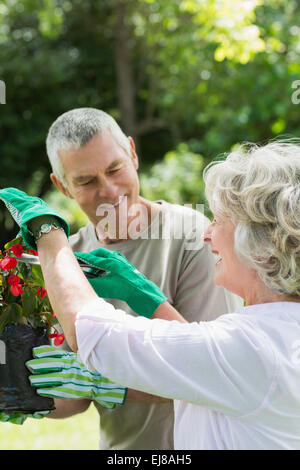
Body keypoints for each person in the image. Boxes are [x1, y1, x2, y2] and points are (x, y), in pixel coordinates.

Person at [1, 139, 299, 450]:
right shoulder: (276, 337)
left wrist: (47, 231)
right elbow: (201, 365)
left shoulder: (248, 347)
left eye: (220, 220)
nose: (207, 233)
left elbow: (90, 330)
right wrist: (151, 301)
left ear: (259, 243)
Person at [42, 108, 242, 450]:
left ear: (132, 154)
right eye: (86, 181)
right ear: (62, 186)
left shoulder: (192, 236)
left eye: (114, 169)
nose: (108, 190)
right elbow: (72, 399)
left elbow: (211, 371)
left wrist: (98, 380)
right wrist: (23, 390)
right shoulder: (66, 260)